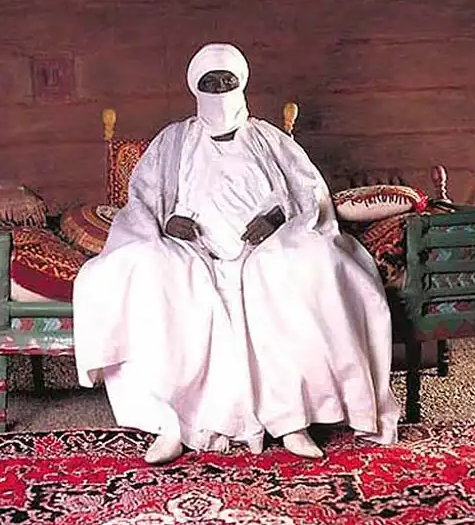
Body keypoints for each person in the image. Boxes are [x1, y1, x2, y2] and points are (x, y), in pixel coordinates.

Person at [73, 43, 400, 464]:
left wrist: (277, 217)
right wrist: (168, 222)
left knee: (299, 269)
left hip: (265, 245)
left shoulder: (269, 137)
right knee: (155, 276)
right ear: (196, 88)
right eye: (210, 84)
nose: (219, 91)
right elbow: (142, 201)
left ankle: (292, 421)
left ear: (241, 84)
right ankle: (174, 424)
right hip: (191, 247)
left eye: (227, 82)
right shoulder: (173, 140)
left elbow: (310, 192)